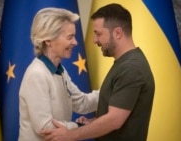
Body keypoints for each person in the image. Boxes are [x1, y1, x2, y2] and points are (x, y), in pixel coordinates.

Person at [41, 3, 155, 141]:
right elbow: (118, 112)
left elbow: (114, 120)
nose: (95, 40)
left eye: (98, 34)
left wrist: (71, 135)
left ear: (117, 33)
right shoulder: (124, 64)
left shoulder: (131, 68)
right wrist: (92, 123)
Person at [18, 7, 99, 141]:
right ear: (48, 40)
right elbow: (45, 127)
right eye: (70, 37)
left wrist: (112, 90)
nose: (75, 42)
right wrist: (79, 126)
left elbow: (82, 103)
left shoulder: (60, 71)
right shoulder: (37, 74)